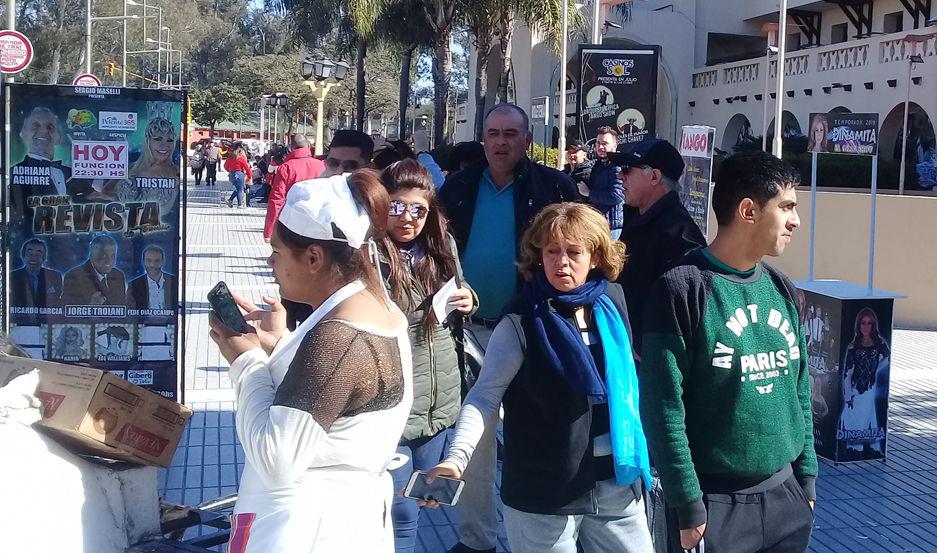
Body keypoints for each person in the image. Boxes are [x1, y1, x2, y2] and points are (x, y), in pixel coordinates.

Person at [426, 203, 653, 553]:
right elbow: (484, 397)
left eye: (573, 252)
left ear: (595, 257)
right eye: (551, 251)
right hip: (544, 496)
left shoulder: (612, 299)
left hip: (615, 484)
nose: (561, 262)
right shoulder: (519, 321)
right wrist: (456, 458)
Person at [208, 171, 413, 551]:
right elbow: (337, 399)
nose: (270, 261)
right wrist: (280, 345)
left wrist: (248, 362)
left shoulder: (339, 337)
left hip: (310, 530)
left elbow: (276, 460)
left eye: (278, 251)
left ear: (315, 257)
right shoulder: (370, 307)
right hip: (345, 519)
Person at [639, 151, 817, 553]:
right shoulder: (683, 289)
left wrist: (806, 480)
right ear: (748, 210)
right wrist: (687, 504)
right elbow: (663, 406)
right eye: (787, 207)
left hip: (785, 499)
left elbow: (799, 390)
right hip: (714, 506)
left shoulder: (783, 289)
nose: (796, 221)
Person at [439, 103, 578, 553]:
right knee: (474, 435)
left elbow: (577, 251)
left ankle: (540, 535)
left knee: (533, 429)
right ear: (483, 138)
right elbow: (437, 254)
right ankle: (476, 539)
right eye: (493, 133)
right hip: (470, 331)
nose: (501, 142)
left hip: (531, 328)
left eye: (511, 134)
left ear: (527, 139)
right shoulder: (458, 188)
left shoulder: (553, 187)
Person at [377, 159, 477, 553]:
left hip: (440, 401)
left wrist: (469, 298)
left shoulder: (442, 245)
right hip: (392, 402)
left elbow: (460, 285)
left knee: (422, 499)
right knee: (398, 510)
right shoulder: (369, 255)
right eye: (397, 207)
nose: (408, 219)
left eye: (418, 210)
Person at [608, 138, 706, 357]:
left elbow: (686, 308)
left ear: (654, 176)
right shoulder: (638, 217)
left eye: (627, 170)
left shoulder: (679, 233)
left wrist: (646, 349)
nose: (619, 176)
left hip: (655, 359)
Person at [840, 307, 889, 455]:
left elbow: (887, 357)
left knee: (867, 417)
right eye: (863, 323)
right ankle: (855, 449)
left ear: (873, 325)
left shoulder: (879, 343)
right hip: (856, 389)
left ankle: (866, 449)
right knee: (852, 417)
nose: (866, 326)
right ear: (858, 325)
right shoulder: (853, 347)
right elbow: (847, 374)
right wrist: (848, 396)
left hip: (869, 389)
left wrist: (875, 369)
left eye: (869, 323)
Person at [263, 134, 325, 241]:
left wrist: (269, 230)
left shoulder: (286, 168)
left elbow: (277, 200)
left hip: (292, 223)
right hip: (318, 222)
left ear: (291, 148)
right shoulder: (322, 166)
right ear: (308, 146)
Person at [11, 107, 71, 206]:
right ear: (23, 134)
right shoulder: (12, 173)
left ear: (59, 137)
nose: (43, 131)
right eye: (36, 126)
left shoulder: (73, 174)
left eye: (50, 127)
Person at [62, 235, 127, 306]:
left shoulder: (118, 275)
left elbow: (122, 308)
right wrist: (91, 306)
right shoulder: (74, 276)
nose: (109, 261)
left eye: (112, 256)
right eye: (104, 255)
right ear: (92, 255)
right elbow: (66, 311)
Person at [586, 127, 625, 239]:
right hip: (598, 224)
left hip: (611, 228)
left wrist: (589, 193)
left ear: (615, 146)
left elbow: (616, 196)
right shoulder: (598, 165)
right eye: (598, 143)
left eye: (605, 143)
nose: (600, 147)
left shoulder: (616, 166)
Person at [10, 238, 63, 308]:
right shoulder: (12, 277)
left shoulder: (55, 276)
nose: (33, 257)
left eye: (38, 254)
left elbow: (58, 303)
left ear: (44, 258)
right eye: (30, 254)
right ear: (23, 256)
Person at [128, 246, 176, 311]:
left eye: (157, 261)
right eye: (148, 260)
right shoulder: (134, 285)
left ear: (163, 261)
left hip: (168, 321)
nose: (152, 265)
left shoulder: (173, 281)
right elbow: (130, 310)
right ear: (143, 261)